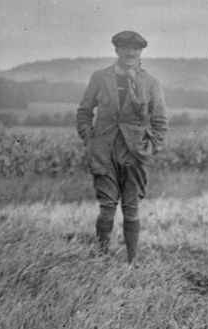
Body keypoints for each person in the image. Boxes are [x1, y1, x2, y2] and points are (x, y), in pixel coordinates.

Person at [76, 30, 168, 264]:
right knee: (106, 206)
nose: (131, 53)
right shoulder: (100, 77)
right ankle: (101, 258)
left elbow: (160, 121)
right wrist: (89, 140)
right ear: (116, 50)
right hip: (104, 151)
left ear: (141, 53)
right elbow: (84, 112)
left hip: (136, 153)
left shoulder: (150, 82)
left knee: (131, 206)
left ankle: (131, 262)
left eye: (136, 49)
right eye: (126, 48)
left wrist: (151, 146)